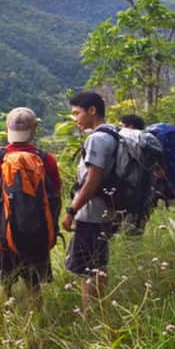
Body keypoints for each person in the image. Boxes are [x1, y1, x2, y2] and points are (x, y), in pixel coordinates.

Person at [0, 107, 61, 312]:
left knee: (0, 286)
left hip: (4, 237)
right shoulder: (46, 158)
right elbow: (56, 195)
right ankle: (36, 324)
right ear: (35, 129)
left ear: (8, 129)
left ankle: (2, 326)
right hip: (37, 235)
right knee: (34, 286)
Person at [63, 91, 118, 314]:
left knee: (89, 269)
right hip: (107, 210)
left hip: (92, 213)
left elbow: (93, 179)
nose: (75, 118)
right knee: (98, 265)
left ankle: (91, 317)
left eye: (77, 113)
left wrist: (71, 210)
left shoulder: (97, 138)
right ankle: (99, 313)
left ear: (92, 111)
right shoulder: (113, 132)